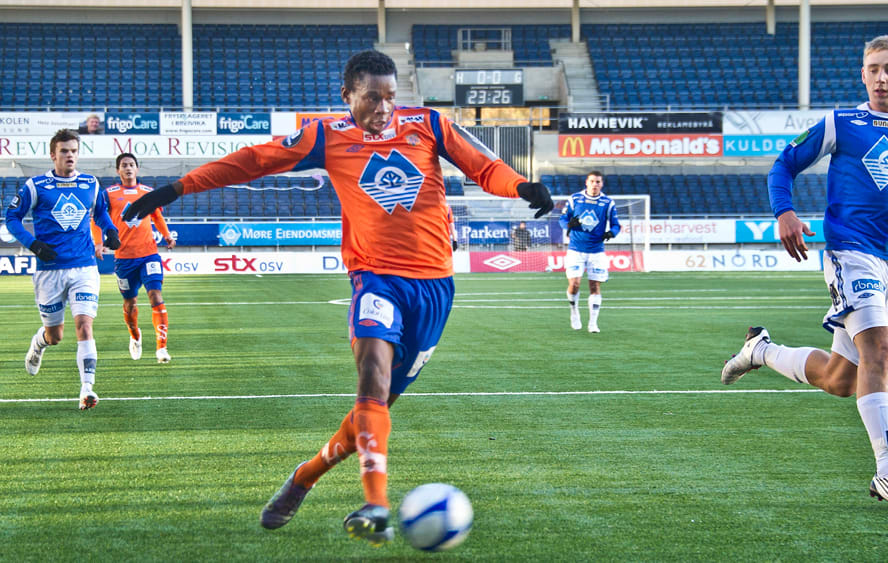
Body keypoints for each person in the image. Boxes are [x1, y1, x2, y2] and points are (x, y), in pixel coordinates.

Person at [122, 50, 552, 545]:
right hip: (375, 278)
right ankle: (377, 505)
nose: (383, 108)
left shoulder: (429, 124)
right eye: (371, 98)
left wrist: (521, 186)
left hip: (435, 288)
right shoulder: (327, 136)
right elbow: (253, 161)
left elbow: (484, 167)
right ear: (347, 95)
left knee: (376, 411)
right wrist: (175, 190)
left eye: (390, 97)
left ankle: (305, 476)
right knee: (371, 378)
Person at [720, 35, 888, 512]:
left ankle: (761, 350)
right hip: (850, 252)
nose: (880, 77)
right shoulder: (841, 122)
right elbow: (783, 164)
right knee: (879, 350)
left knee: (842, 379)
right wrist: (784, 212)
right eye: (872, 69)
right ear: (862, 75)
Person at [4, 128, 120, 410]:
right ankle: (39, 343)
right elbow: (12, 218)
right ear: (52, 154)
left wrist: (110, 230)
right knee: (55, 336)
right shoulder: (36, 186)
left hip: (84, 267)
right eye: (64, 151)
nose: (70, 156)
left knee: (84, 324)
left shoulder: (90, 183)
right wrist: (33, 244)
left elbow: (101, 212)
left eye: (74, 151)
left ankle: (87, 389)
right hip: (49, 270)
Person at [91, 153, 176, 364]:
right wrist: (98, 242)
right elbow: (96, 218)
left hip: (149, 255)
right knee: (130, 303)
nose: (128, 168)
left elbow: (156, 215)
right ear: (118, 170)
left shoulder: (148, 192)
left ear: (137, 169)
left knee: (155, 295)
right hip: (124, 258)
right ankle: (135, 336)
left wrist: (166, 235)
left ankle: (162, 348)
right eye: (124, 165)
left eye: (131, 164)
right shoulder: (108, 194)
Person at [558, 170, 620, 333]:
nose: (595, 184)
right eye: (592, 181)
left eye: (598, 182)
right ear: (586, 182)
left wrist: (612, 233)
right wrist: (568, 225)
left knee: (595, 286)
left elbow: (616, 224)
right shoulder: (575, 199)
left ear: (602, 184)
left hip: (596, 251)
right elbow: (562, 218)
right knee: (574, 284)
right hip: (576, 249)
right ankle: (574, 311)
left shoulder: (608, 202)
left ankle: (593, 323)